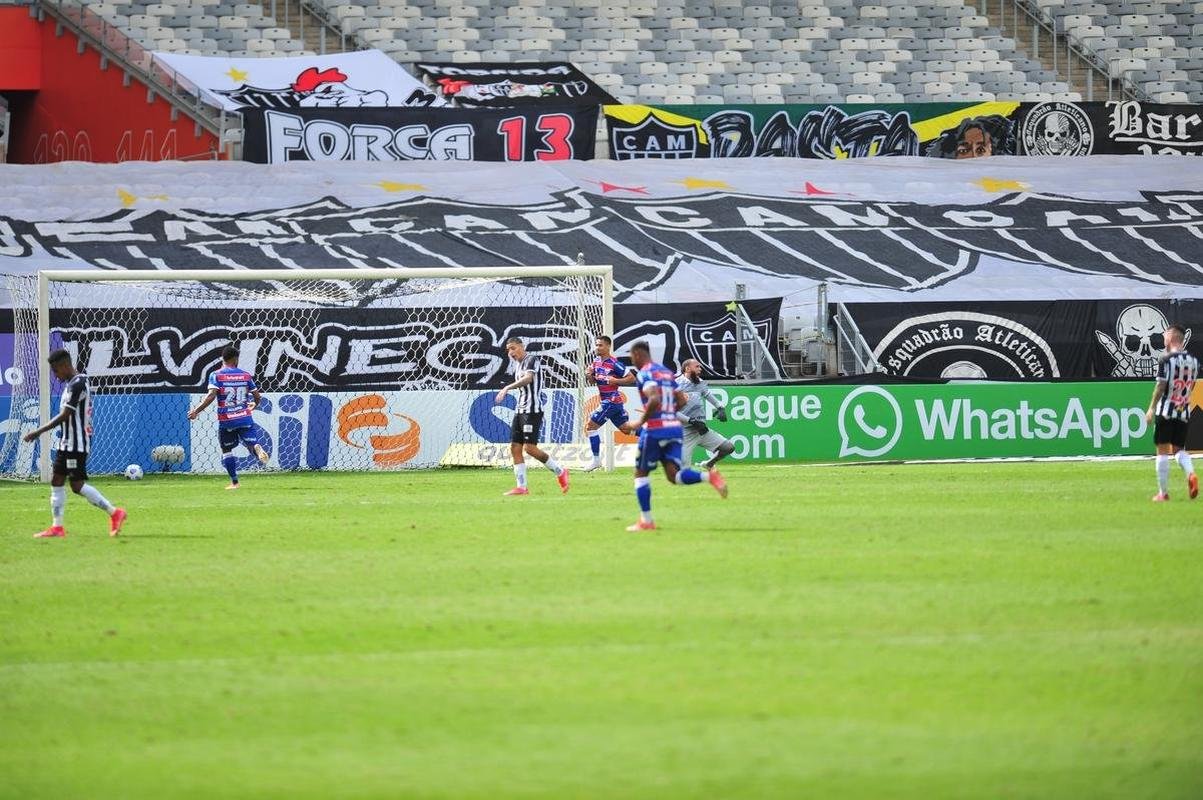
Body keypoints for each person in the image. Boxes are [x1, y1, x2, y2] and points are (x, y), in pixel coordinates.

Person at [620, 341, 726, 532]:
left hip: (655, 430)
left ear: (637, 354)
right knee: (673, 476)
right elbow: (680, 399)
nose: (632, 361)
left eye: (631, 357)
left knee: (640, 473)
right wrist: (669, 413)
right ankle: (708, 477)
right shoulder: (666, 373)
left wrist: (639, 422)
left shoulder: (645, 373)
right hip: (674, 429)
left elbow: (653, 399)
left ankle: (646, 521)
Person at [22, 349, 127, 538]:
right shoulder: (72, 383)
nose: (55, 375)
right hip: (67, 443)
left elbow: (65, 415)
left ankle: (115, 512)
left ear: (64, 365)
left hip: (76, 444)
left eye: (56, 371)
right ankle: (57, 527)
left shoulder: (78, 383)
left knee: (77, 485)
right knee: (57, 480)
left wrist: (37, 432)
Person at [494, 337, 569, 496]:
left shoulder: (531, 360)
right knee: (515, 447)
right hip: (520, 410)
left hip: (532, 410)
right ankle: (522, 487)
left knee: (530, 448)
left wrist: (507, 387)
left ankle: (560, 471)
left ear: (522, 346)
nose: (511, 352)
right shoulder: (518, 364)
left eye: (513, 348)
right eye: (508, 350)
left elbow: (528, 378)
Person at [188, 345, 269, 490]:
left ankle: (235, 482)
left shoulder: (216, 375)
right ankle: (256, 447)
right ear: (235, 359)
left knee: (226, 450)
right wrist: (254, 405)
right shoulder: (245, 375)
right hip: (245, 417)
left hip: (227, 420)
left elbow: (211, 396)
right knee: (251, 444)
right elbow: (257, 396)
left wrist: (196, 410)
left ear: (223, 358)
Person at [1145, 323, 1198, 501]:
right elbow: (1193, 384)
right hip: (1183, 411)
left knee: (1162, 451)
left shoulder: (1166, 359)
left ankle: (1163, 493)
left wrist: (1151, 408)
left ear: (1172, 337)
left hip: (1166, 410)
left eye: (1165, 335)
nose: (1164, 339)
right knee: (1178, 450)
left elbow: (1160, 386)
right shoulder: (1193, 360)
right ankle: (1190, 474)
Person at [583, 334, 636, 472]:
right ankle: (654, 436)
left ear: (608, 346)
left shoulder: (614, 363)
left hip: (610, 401)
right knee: (625, 429)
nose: (597, 347)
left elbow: (631, 378)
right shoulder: (596, 362)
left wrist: (616, 381)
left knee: (590, 427)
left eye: (600, 345)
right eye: (596, 345)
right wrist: (589, 375)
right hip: (612, 402)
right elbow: (593, 381)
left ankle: (596, 460)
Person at [676, 359, 735, 470]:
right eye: (697, 366)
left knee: (728, 447)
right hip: (685, 431)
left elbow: (707, 394)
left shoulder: (699, 382)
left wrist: (720, 407)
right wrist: (691, 421)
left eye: (700, 366)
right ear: (687, 369)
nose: (700, 369)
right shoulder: (676, 385)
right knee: (683, 470)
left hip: (701, 430)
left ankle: (709, 464)